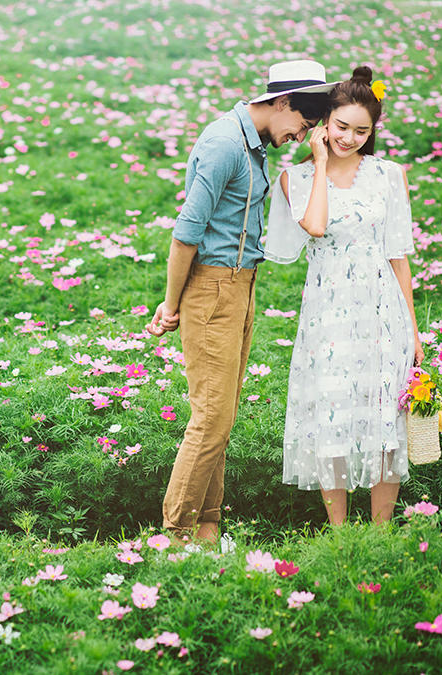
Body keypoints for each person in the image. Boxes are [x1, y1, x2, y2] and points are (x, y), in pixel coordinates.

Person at [147, 60, 334, 547]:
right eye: (303, 123)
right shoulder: (225, 144)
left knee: (222, 415)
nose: (300, 134)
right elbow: (186, 234)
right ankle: (176, 535)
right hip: (212, 288)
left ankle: (207, 528)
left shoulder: (252, 146)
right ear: (283, 103)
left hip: (239, 287)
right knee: (210, 415)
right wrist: (170, 305)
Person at [264, 66, 424, 525]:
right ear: (323, 123)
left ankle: (379, 532)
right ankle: (340, 536)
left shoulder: (389, 175)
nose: (349, 138)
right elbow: (315, 226)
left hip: (382, 311)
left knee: (382, 419)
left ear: (373, 131)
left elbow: (398, 256)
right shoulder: (295, 179)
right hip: (328, 312)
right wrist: (318, 165)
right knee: (331, 413)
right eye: (341, 127)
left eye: (361, 130)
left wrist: (413, 331)